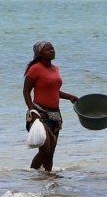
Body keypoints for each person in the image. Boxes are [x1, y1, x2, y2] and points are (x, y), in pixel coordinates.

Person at [22, 41, 81, 174]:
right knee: (45, 151)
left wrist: (70, 97)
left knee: (51, 153)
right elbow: (26, 91)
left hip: (55, 115)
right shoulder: (35, 68)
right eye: (48, 49)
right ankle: (31, 176)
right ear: (39, 53)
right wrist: (32, 110)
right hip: (39, 114)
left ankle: (48, 180)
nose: (52, 51)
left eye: (53, 48)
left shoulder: (56, 69)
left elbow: (53, 91)